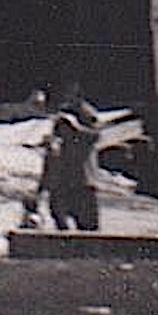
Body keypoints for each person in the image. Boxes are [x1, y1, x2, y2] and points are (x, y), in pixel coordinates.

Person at [37, 96, 103, 232]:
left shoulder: (84, 141)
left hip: (82, 188)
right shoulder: (57, 146)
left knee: (88, 230)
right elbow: (49, 166)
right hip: (61, 189)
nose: (63, 131)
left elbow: (95, 135)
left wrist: (75, 126)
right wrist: (42, 189)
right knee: (63, 230)